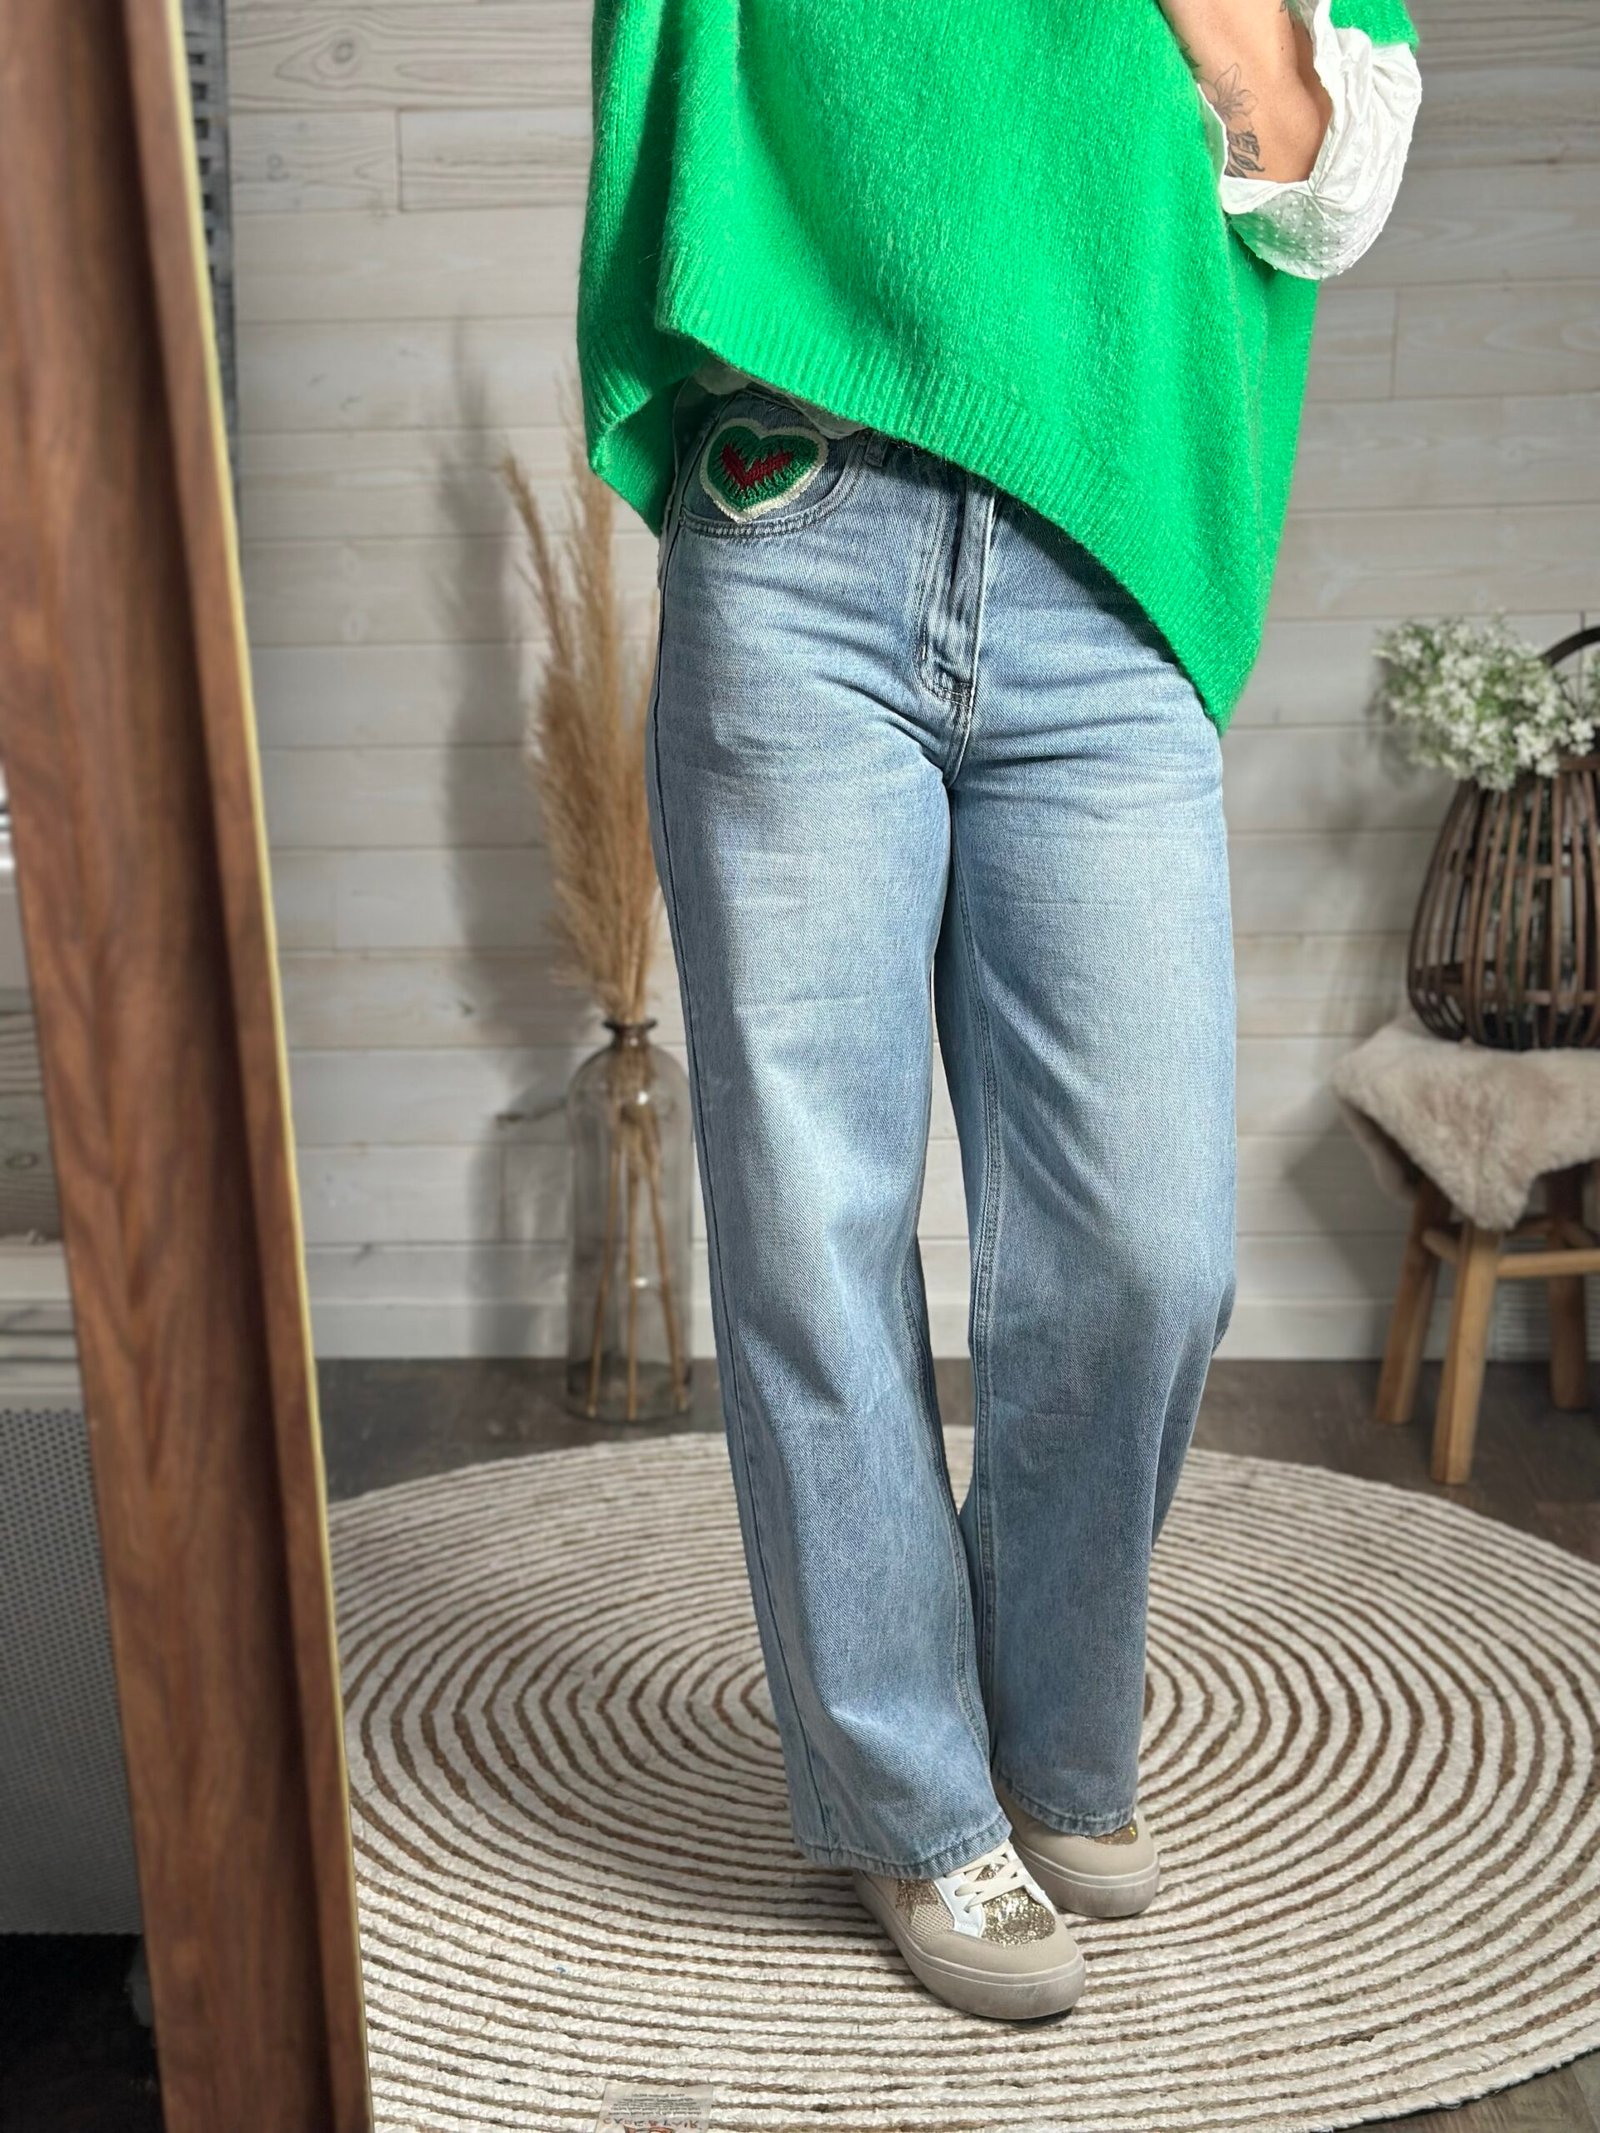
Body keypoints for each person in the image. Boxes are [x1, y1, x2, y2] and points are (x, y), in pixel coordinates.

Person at [576, 0, 1421, 2021]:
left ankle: (1046, 1733)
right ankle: (913, 1798)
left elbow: (1330, 190)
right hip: (801, 523)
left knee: (1146, 1247)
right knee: (812, 1225)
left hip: (1104, 575)